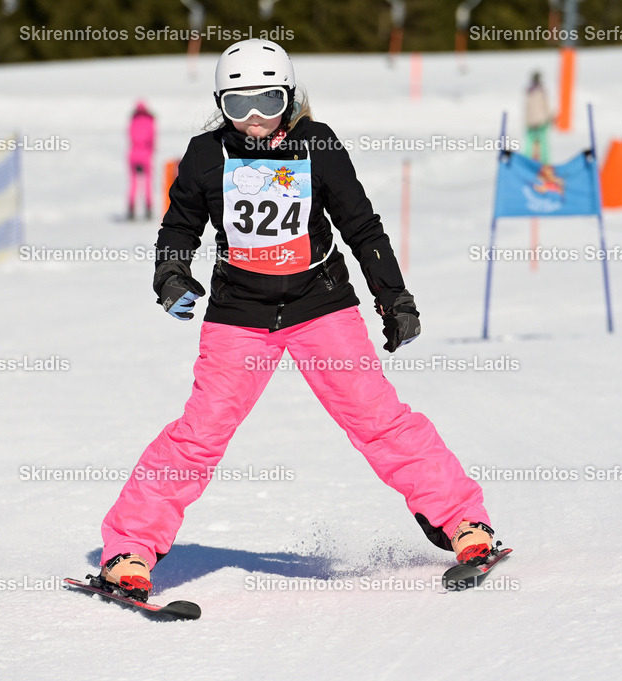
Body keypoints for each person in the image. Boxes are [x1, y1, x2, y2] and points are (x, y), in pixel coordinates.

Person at [93, 39, 497, 600]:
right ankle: (128, 550)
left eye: (268, 100)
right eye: (238, 105)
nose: (255, 118)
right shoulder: (206, 154)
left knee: (376, 417)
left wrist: (394, 297)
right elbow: (180, 226)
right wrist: (172, 274)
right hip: (239, 313)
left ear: (290, 97)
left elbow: (361, 225)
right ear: (221, 105)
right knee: (200, 434)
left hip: (319, 304)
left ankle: (464, 524)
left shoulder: (317, 146)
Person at [127, 100, 155, 221]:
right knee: (147, 182)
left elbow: (130, 136)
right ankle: (148, 208)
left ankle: (131, 208)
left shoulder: (133, 120)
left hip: (134, 153)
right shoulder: (150, 121)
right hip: (145, 153)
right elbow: (153, 138)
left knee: (133, 182)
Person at [524, 71, 551, 163]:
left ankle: (527, 161)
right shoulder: (541, 91)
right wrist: (549, 117)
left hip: (530, 121)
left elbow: (527, 107)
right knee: (543, 144)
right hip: (541, 121)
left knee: (529, 144)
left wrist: (527, 121)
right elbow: (545, 106)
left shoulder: (529, 91)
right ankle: (545, 163)